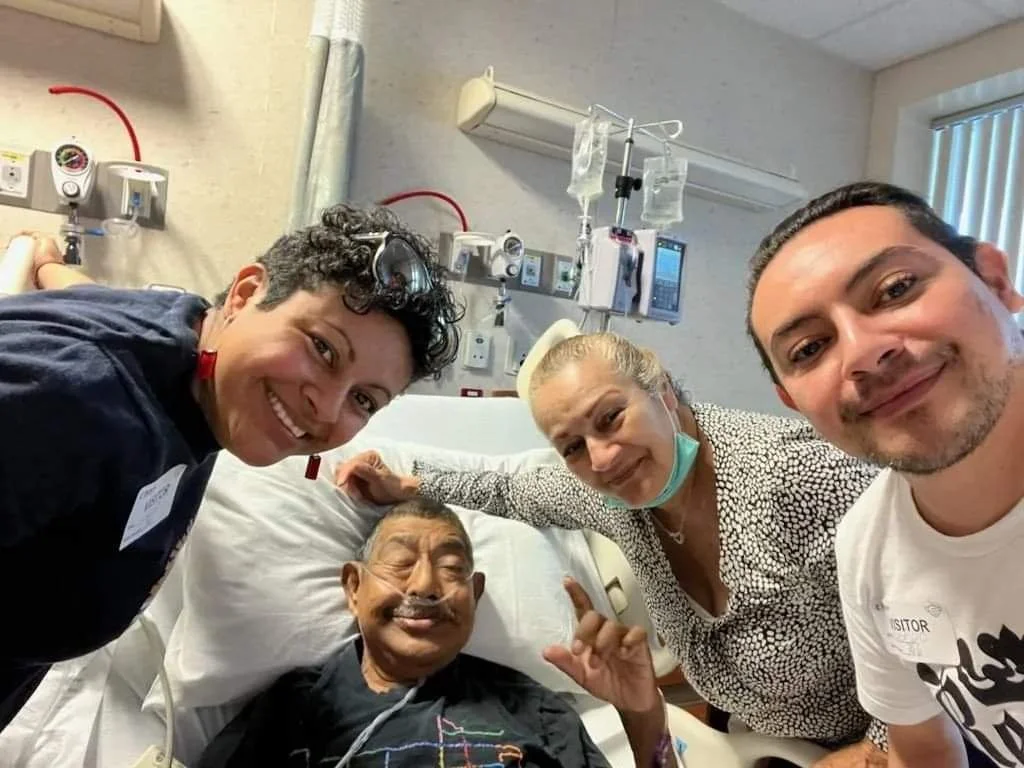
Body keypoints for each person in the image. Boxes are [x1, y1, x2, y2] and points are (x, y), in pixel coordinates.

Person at [0, 205, 462, 731]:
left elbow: (98, 302)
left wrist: (47, 266)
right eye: (322, 349)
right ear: (245, 295)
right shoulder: (70, 411)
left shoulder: (185, 335)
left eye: (363, 399)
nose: (327, 408)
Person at [335, 327, 887, 766]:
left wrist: (876, 750)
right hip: (769, 737)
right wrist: (408, 483)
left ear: (661, 389)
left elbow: (930, 617)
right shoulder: (616, 500)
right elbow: (510, 489)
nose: (601, 458)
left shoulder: (799, 476)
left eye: (611, 418)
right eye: (572, 447)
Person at [746, 181, 1024, 768]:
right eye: (809, 349)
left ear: (996, 281)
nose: (862, 352)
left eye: (895, 289)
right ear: (794, 403)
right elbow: (922, 751)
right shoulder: (867, 548)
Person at [196, 497, 672, 768]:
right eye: (401, 562)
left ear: (475, 593)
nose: (424, 585)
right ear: (354, 588)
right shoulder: (294, 708)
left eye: (451, 568)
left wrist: (644, 715)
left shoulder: (534, 710)